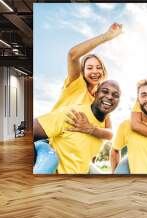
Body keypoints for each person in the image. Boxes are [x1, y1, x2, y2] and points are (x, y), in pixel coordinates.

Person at [33, 23, 122, 173]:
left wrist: (91, 129)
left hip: (74, 154)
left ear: (104, 72)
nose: (95, 71)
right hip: (51, 140)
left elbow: (110, 132)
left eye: (98, 67)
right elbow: (73, 55)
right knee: (51, 160)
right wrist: (106, 36)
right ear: (82, 71)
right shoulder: (77, 83)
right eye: (89, 67)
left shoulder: (101, 102)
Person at [33, 81, 121, 174]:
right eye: (105, 91)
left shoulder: (104, 126)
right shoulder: (72, 115)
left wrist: (91, 129)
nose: (110, 97)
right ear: (95, 93)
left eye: (115, 95)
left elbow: (108, 136)